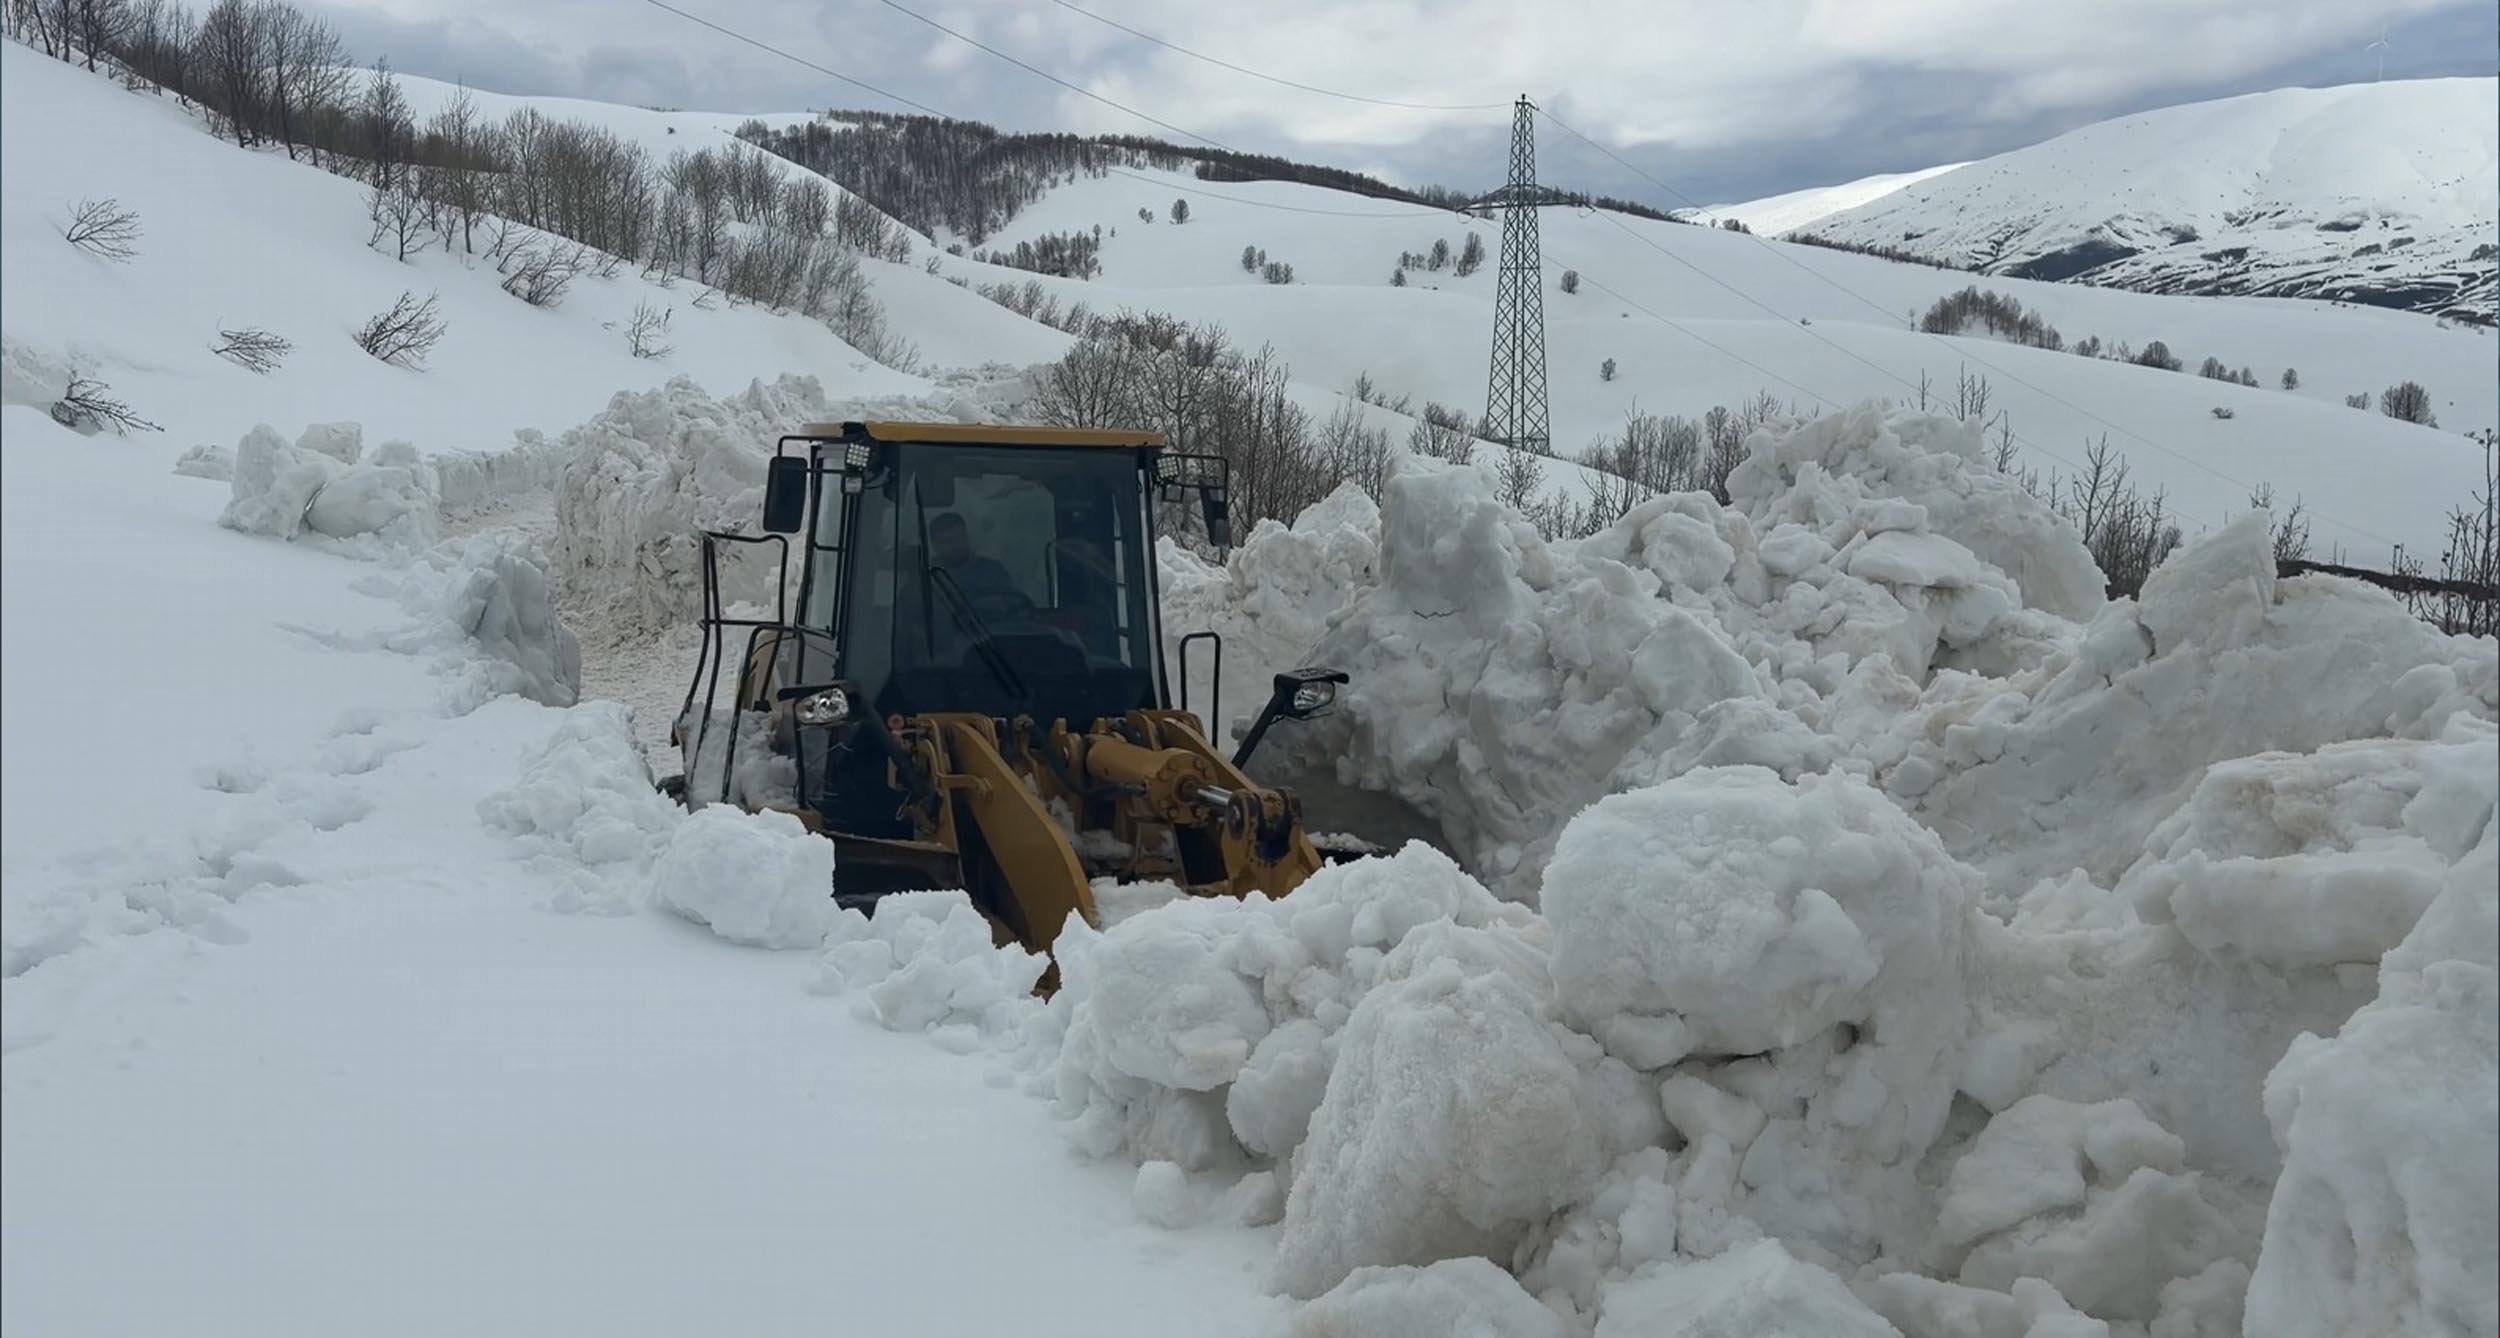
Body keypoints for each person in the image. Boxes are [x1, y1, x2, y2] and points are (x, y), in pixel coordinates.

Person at [927, 512, 1021, 608]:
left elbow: (1013, 604)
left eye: (959, 538)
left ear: (967, 537)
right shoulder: (925, 578)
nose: (955, 545)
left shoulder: (993, 571)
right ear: (935, 545)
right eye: (948, 541)